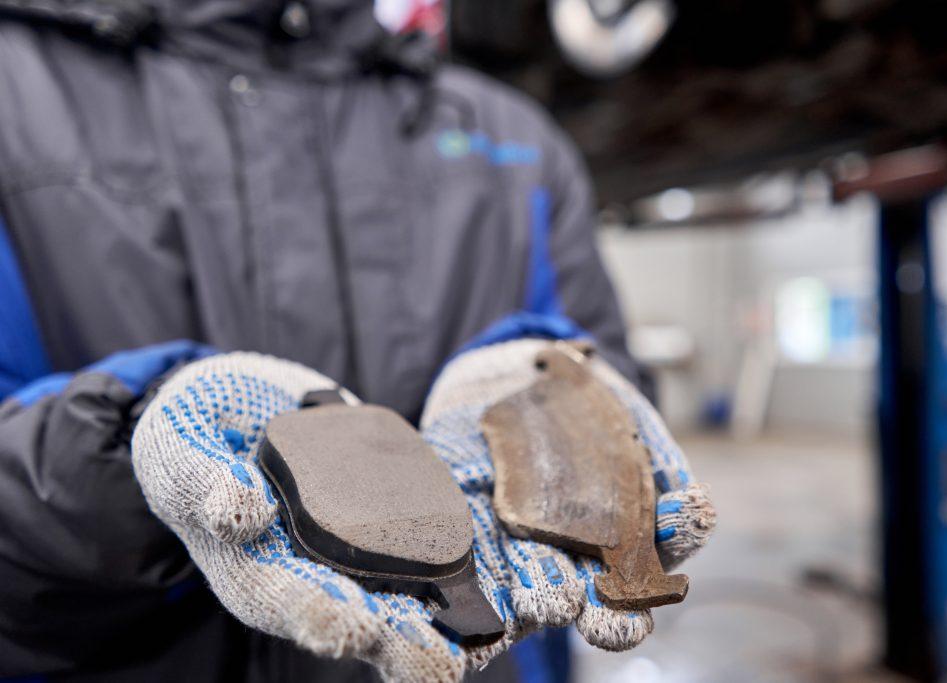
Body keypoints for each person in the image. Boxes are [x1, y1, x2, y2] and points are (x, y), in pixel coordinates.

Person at [0, 1, 713, 680]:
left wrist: (552, 381)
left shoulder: (515, 140)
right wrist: (125, 458)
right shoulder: (15, 94)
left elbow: (611, 383)